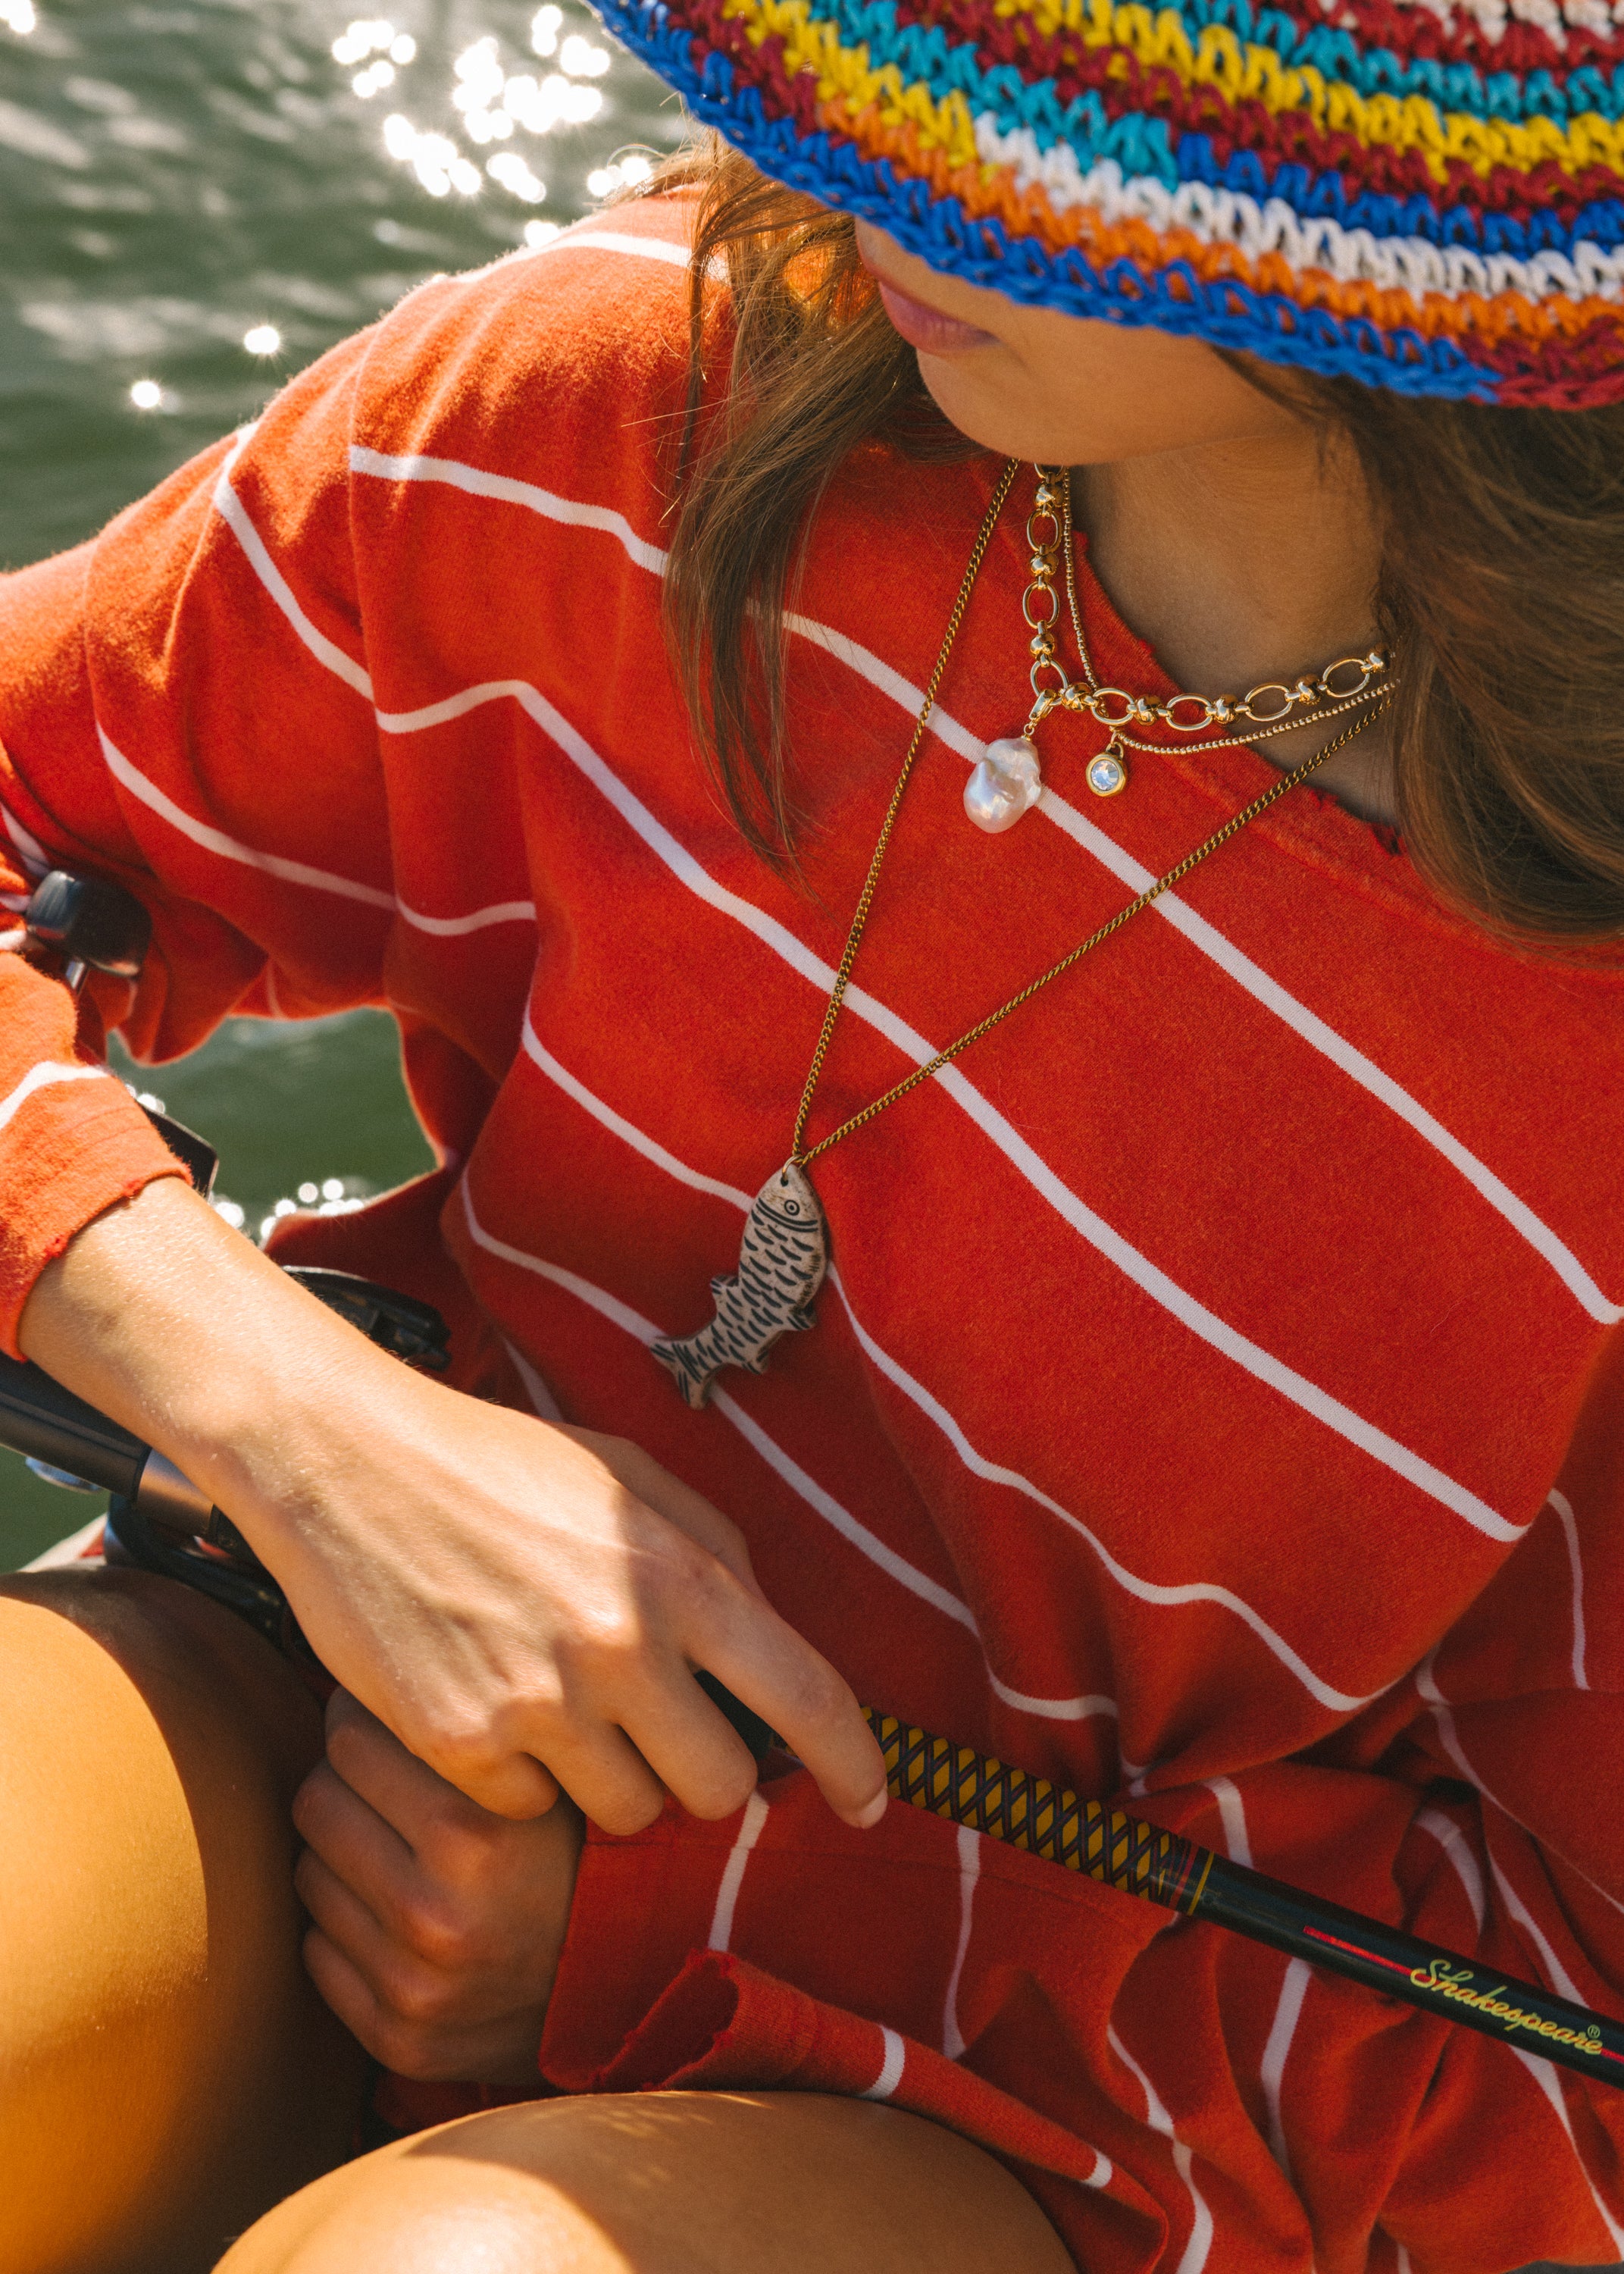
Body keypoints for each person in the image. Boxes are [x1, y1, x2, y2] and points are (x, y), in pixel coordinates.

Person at [2, 0, 1624, 2254]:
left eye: (1021, 105)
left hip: (1055, 2121)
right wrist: (294, 1425)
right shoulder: (647, 383)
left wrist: (703, 1907)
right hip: (315, 1709)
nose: (854, 161)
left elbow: (1561, 2053)